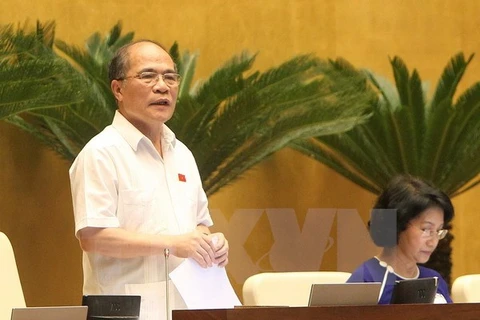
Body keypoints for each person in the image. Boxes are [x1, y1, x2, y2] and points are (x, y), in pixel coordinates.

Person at [69, 40, 229, 317]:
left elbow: (199, 225)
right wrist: (174, 244)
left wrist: (210, 243)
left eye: (170, 77)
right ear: (118, 89)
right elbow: (93, 238)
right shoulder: (100, 153)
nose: (162, 86)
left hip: (184, 307)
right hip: (123, 310)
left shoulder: (182, 154)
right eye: (147, 76)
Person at [347, 175, 454, 304]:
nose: (433, 242)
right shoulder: (366, 280)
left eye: (438, 231)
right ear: (397, 225)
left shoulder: (434, 279)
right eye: (426, 229)